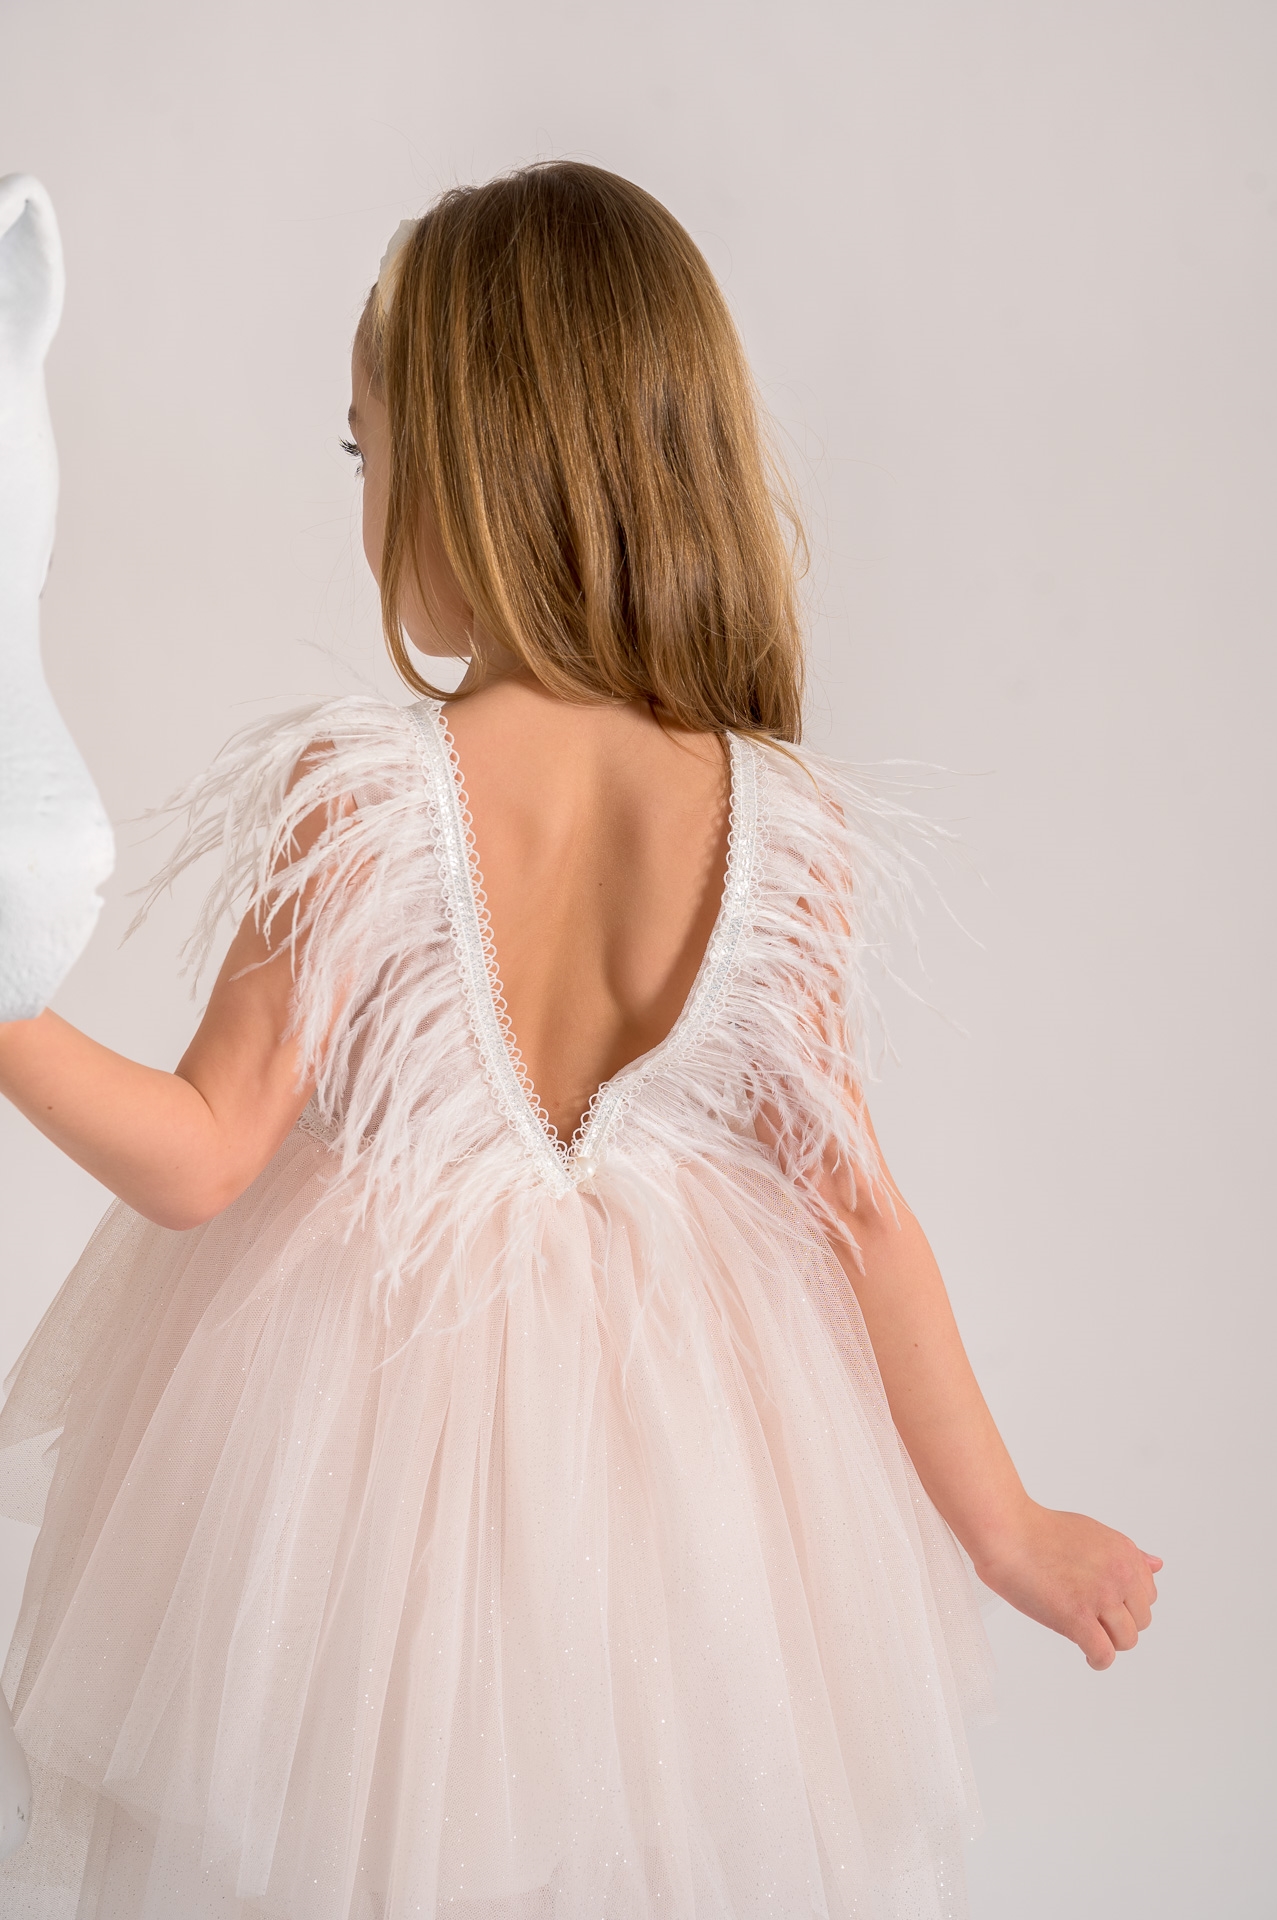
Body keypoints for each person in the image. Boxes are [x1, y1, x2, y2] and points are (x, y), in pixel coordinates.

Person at [0, 161, 1159, 1920]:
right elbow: (860, 1210)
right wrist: (1007, 1530)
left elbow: (201, 1155)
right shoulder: (782, 830)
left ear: (472, 465)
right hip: (689, 1477)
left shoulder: (367, 796)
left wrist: (8, 1012)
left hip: (361, 1466)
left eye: (368, 448)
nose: (364, 499)